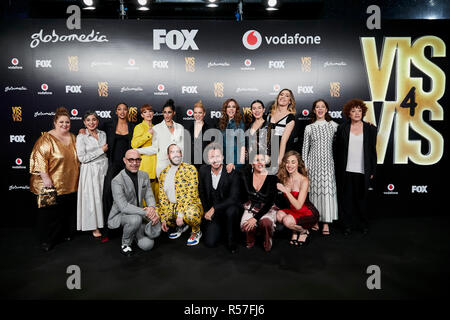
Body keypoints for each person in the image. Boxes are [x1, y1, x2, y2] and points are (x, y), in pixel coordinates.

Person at [29, 107, 80, 251]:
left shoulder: (73, 137)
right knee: (49, 215)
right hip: (51, 184)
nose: (65, 125)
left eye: (67, 122)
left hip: (69, 184)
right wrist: (46, 179)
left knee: (64, 213)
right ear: (55, 122)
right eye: (61, 122)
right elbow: (39, 159)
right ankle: (47, 240)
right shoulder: (46, 139)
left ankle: (63, 235)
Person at [335, 98, 377, 236]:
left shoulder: (371, 128)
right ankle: (347, 226)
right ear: (349, 113)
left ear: (363, 112)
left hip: (363, 170)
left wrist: (372, 170)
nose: (357, 113)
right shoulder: (342, 128)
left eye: (359, 110)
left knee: (362, 200)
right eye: (353, 111)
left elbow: (372, 151)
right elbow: (337, 150)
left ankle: (363, 225)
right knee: (346, 200)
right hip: (346, 170)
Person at [107, 149, 161, 256]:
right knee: (135, 219)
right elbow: (124, 207)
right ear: (125, 161)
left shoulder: (144, 175)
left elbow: (149, 195)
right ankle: (126, 243)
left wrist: (151, 208)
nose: (134, 163)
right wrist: (146, 213)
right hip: (122, 215)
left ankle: (135, 232)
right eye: (131, 160)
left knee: (148, 245)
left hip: (139, 214)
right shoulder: (117, 181)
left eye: (137, 160)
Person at [302, 99, 338, 235]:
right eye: (317, 107)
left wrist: (367, 125)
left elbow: (347, 134)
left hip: (328, 164)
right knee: (314, 194)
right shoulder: (309, 127)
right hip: (312, 165)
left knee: (327, 193)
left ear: (327, 110)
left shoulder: (333, 125)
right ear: (314, 110)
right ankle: (315, 221)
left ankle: (326, 223)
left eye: (323, 107)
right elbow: (305, 148)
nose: (320, 109)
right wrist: (305, 165)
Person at [100, 102, 135, 241]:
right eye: (119, 109)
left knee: (129, 196)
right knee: (108, 193)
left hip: (129, 165)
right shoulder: (108, 125)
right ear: (116, 111)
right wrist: (82, 131)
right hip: (114, 164)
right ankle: (108, 230)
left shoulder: (133, 126)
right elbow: (94, 131)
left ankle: (129, 228)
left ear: (128, 112)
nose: (122, 111)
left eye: (124, 109)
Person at [158, 144, 203, 246]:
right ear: (168, 156)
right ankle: (181, 226)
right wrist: (163, 218)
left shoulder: (190, 169)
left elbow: (191, 194)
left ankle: (196, 231)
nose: (176, 155)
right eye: (172, 152)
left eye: (178, 152)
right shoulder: (163, 173)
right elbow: (162, 197)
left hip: (189, 206)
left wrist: (180, 214)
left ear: (181, 154)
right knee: (156, 213)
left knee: (191, 214)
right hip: (172, 206)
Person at [199, 143, 240, 253]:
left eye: (217, 156)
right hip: (213, 213)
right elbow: (202, 193)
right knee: (210, 243)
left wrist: (214, 208)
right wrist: (206, 210)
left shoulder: (231, 173)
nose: (215, 160)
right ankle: (219, 229)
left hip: (228, 210)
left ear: (223, 157)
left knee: (232, 210)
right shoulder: (203, 171)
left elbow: (233, 198)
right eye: (212, 157)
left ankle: (231, 239)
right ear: (208, 159)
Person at [76, 111, 109, 239]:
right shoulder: (81, 137)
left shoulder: (103, 134)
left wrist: (102, 154)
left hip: (103, 169)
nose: (91, 122)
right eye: (88, 120)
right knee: (92, 198)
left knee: (102, 197)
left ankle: (102, 223)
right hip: (89, 170)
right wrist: (101, 150)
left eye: (94, 119)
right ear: (84, 122)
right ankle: (94, 226)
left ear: (98, 121)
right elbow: (82, 158)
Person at [276, 151, 319, 246]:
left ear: (298, 164)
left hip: (307, 212)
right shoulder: (284, 178)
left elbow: (299, 206)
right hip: (293, 211)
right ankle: (295, 231)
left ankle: (304, 231)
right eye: (287, 162)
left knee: (286, 221)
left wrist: (286, 191)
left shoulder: (304, 180)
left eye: (293, 162)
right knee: (279, 215)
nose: (289, 165)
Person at [136, 99, 184, 178]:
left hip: (178, 165)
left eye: (169, 112)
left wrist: (183, 164)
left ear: (174, 113)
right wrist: (137, 150)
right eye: (165, 112)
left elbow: (182, 148)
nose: (167, 115)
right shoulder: (156, 128)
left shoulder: (180, 127)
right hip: (163, 166)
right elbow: (154, 148)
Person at [240, 153, 278, 252]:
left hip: (267, 208)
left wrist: (255, 219)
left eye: (262, 160)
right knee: (246, 226)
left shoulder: (272, 177)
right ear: (252, 164)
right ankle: (252, 238)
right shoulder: (247, 176)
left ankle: (267, 239)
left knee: (265, 223)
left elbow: (270, 202)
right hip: (252, 206)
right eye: (257, 160)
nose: (260, 162)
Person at [131, 104, 158, 203]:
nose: (148, 114)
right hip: (146, 164)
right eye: (145, 112)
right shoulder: (139, 127)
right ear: (142, 115)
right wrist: (148, 134)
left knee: (155, 195)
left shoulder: (156, 127)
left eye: (150, 111)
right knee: (145, 195)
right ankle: (144, 217)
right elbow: (134, 144)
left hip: (157, 164)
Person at [266, 89, 296, 167]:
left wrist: (280, 159)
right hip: (267, 155)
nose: (283, 97)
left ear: (290, 101)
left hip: (280, 154)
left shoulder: (290, 117)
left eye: (287, 96)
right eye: (281, 94)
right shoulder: (269, 115)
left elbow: (283, 140)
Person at [217, 98, 245, 173]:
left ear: (236, 110)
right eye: (229, 107)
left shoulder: (240, 124)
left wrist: (238, 164)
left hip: (235, 162)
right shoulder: (222, 123)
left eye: (233, 107)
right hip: (224, 161)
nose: (231, 109)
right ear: (225, 109)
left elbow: (242, 145)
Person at [187, 100, 213, 171]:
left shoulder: (209, 128)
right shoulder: (190, 128)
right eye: (195, 113)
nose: (197, 115)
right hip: (191, 165)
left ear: (204, 114)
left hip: (205, 165)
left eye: (200, 112)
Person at [245, 99, 268, 164]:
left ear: (264, 110)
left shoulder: (269, 125)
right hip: (250, 162)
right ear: (251, 111)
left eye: (259, 108)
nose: (257, 110)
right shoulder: (248, 126)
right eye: (254, 108)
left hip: (264, 162)